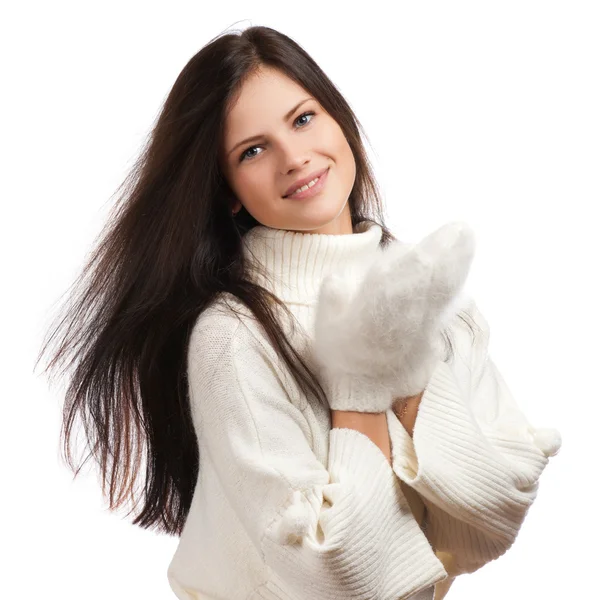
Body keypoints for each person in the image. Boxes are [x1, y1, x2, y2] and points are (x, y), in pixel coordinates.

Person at [35, 25, 562, 600]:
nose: (295, 157)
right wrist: (357, 389)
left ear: (340, 121)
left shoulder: (422, 291)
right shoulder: (233, 338)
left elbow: (497, 514)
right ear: (228, 190)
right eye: (253, 151)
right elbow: (334, 579)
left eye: (304, 118)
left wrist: (405, 382)